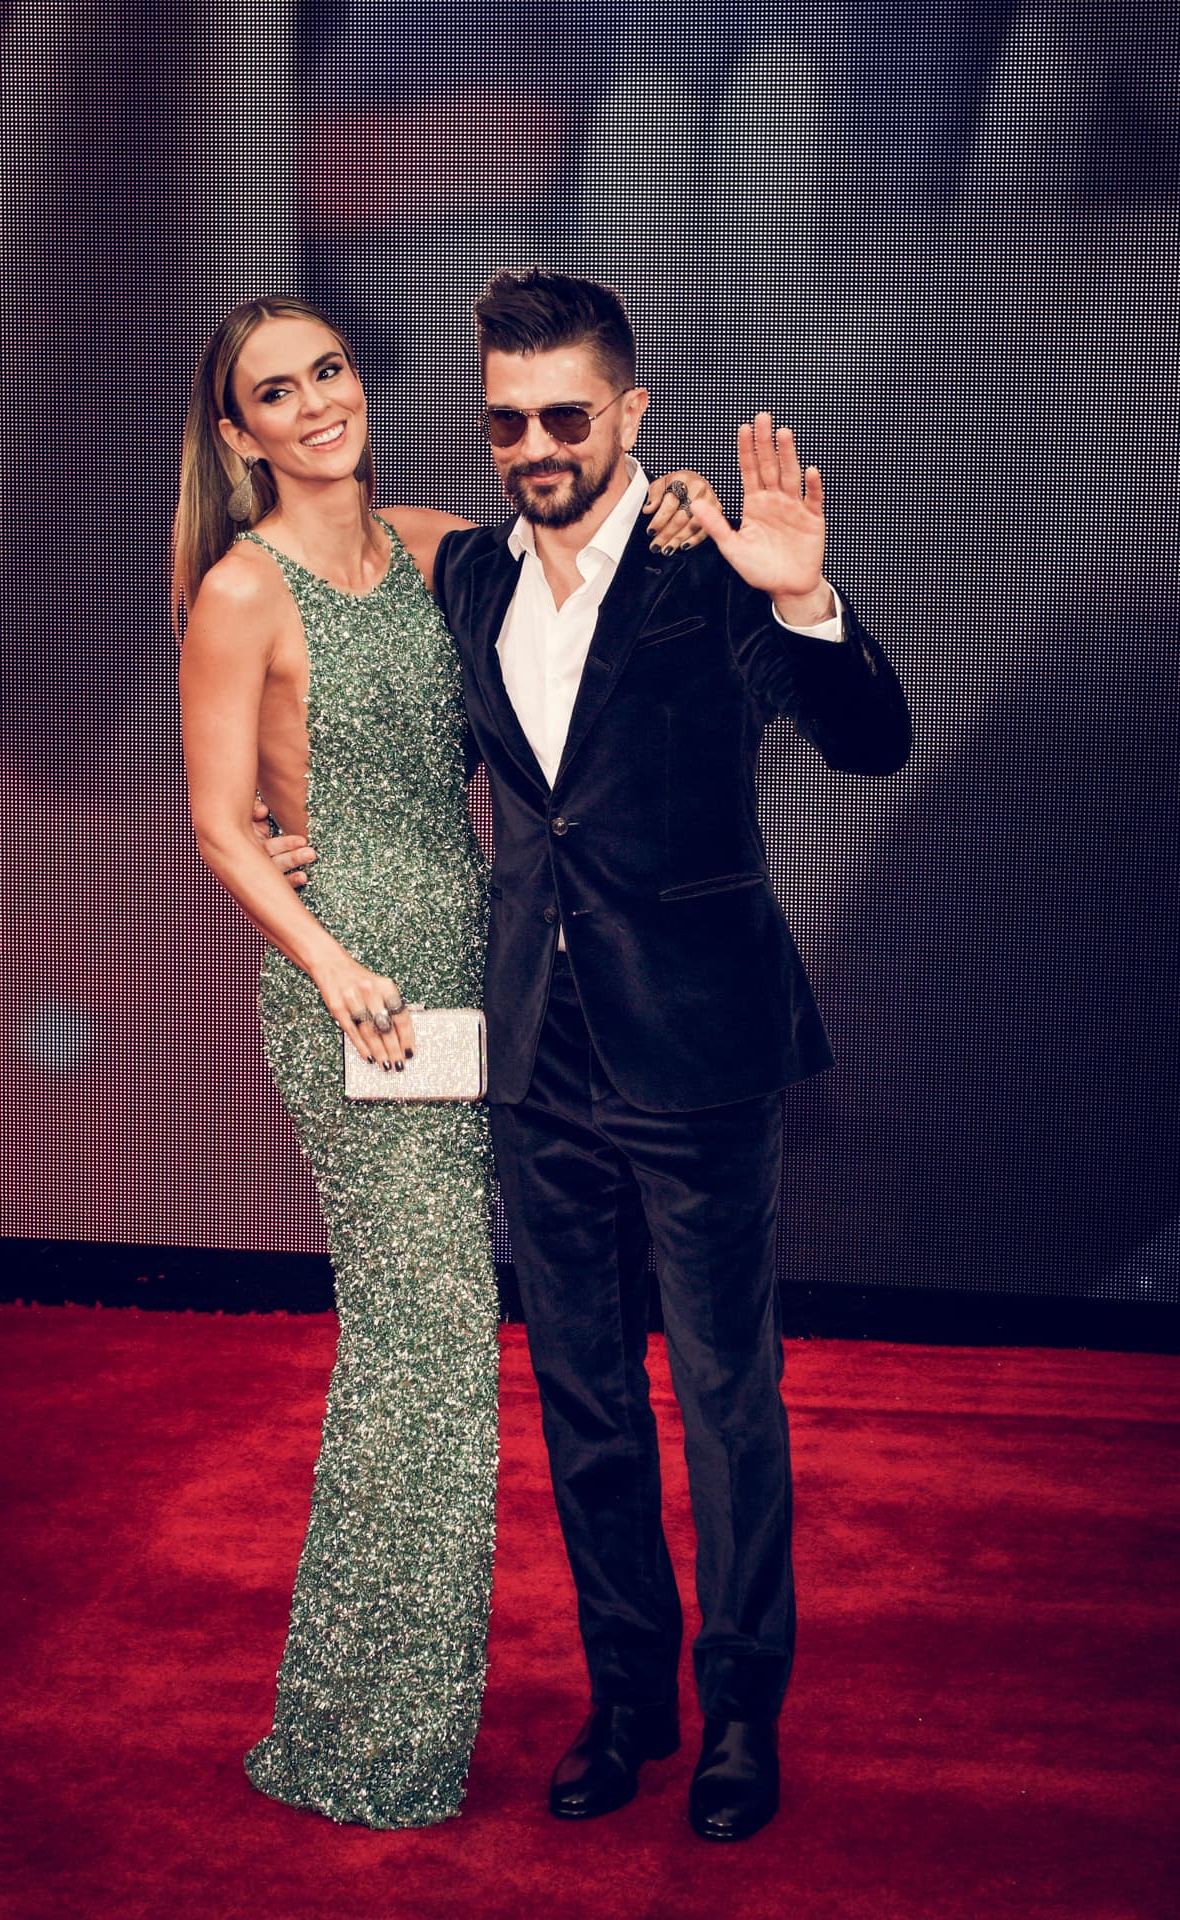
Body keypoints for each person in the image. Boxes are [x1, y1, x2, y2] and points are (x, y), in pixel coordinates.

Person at [175, 294, 712, 1828]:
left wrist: (670, 504)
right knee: (421, 1354)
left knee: (451, 1363)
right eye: (276, 391)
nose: (316, 401)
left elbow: (571, 595)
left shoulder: (433, 547)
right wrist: (338, 964)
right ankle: (367, 1740)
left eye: (329, 369)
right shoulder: (239, 590)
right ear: (240, 436)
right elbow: (221, 824)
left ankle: (388, 1706)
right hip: (358, 1009)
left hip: (492, 991)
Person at [431, 268, 913, 1842]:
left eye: (568, 413)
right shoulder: (473, 586)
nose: (537, 443)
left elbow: (870, 741)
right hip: (537, 1056)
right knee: (581, 1395)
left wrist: (806, 599)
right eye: (508, 419)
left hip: (701, 1048)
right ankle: (627, 1701)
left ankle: (737, 1721)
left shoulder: (712, 564)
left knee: (725, 1396)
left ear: (631, 413)